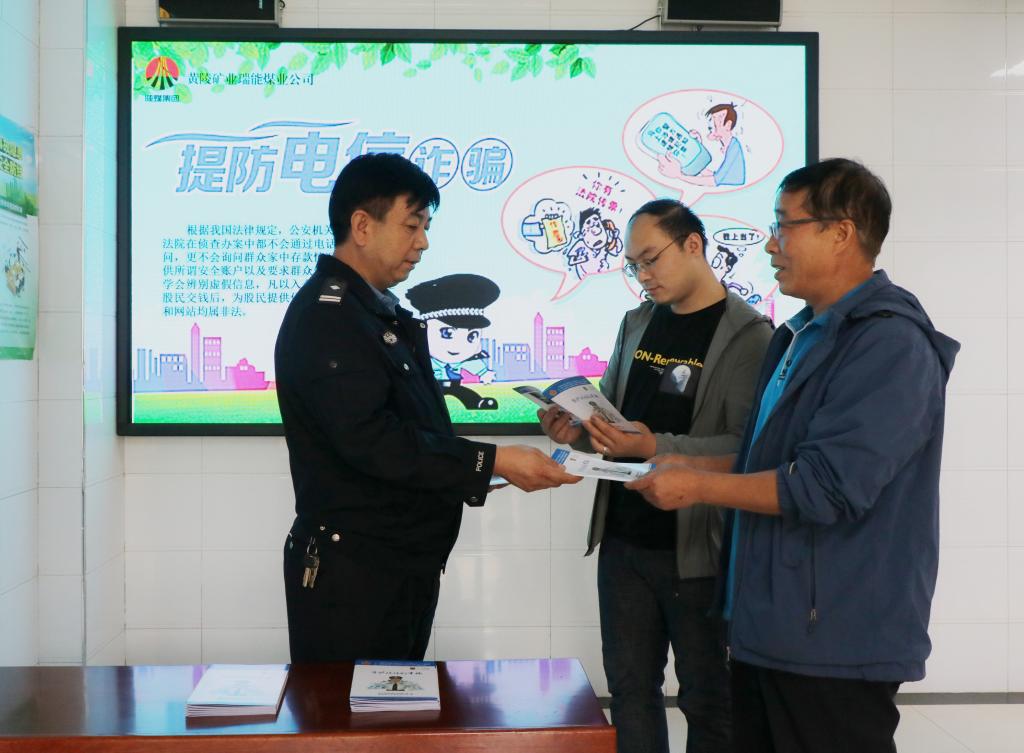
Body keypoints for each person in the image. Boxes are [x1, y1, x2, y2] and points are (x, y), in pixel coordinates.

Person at [626, 159, 960, 753]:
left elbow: (825, 487)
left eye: (785, 225)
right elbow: (766, 462)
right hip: (768, 630)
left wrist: (697, 487)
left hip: (834, 640)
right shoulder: (800, 336)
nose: (770, 243)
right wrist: (684, 467)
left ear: (841, 232)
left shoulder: (889, 343)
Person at [275, 153, 579, 663]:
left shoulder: (376, 312)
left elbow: (414, 426)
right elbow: (371, 440)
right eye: (412, 225)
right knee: (350, 712)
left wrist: (476, 470)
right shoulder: (331, 317)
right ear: (362, 226)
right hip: (354, 574)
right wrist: (493, 460)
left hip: (395, 566)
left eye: (426, 228)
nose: (423, 243)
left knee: (389, 704)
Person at [539, 198, 773, 753]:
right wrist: (575, 428)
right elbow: (612, 416)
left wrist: (654, 446)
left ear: (693, 244)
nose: (642, 275)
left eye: (650, 259)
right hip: (624, 540)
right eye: (633, 265)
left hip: (696, 550)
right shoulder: (637, 321)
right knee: (629, 693)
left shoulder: (749, 335)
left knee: (707, 699)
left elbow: (745, 448)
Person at [406, 273, 500, 410]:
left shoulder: (463, 361)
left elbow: (473, 365)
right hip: (431, 386)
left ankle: (477, 403)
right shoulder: (420, 358)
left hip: (455, 384)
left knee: (464, 395)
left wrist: (484, 373)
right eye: (447, 333)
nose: (458, 345)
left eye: (471, 336)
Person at [659, 103, 746, 188]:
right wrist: (698, 147)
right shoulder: (731, 145)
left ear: (728, 125)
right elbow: (714, 175)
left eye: (714, 123)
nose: (711, 125)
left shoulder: (734, 148)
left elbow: (713, 181)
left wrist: (679, 175)